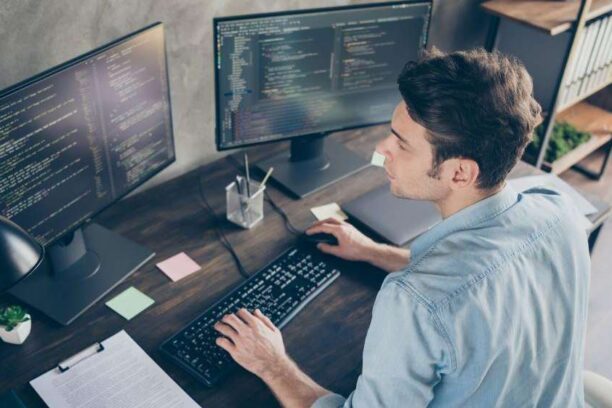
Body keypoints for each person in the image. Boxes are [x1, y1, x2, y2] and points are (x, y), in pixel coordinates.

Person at [213, 48, 591, 407]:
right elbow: (481, 279)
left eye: (401, 143)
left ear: (459, 172)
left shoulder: (413, 302)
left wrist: (270, 363)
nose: (382, 149)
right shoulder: (559, 210)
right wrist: (372, 252)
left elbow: (445, 294)